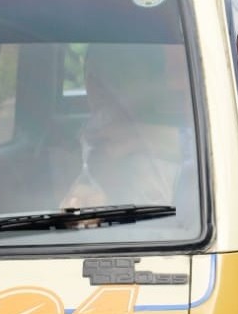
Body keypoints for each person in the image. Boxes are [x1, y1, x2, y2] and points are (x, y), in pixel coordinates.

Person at [60, 43, 195, 213]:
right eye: (94, 78)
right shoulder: (77, 149)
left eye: (121, 74)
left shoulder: (195, 144)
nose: (100, 89)